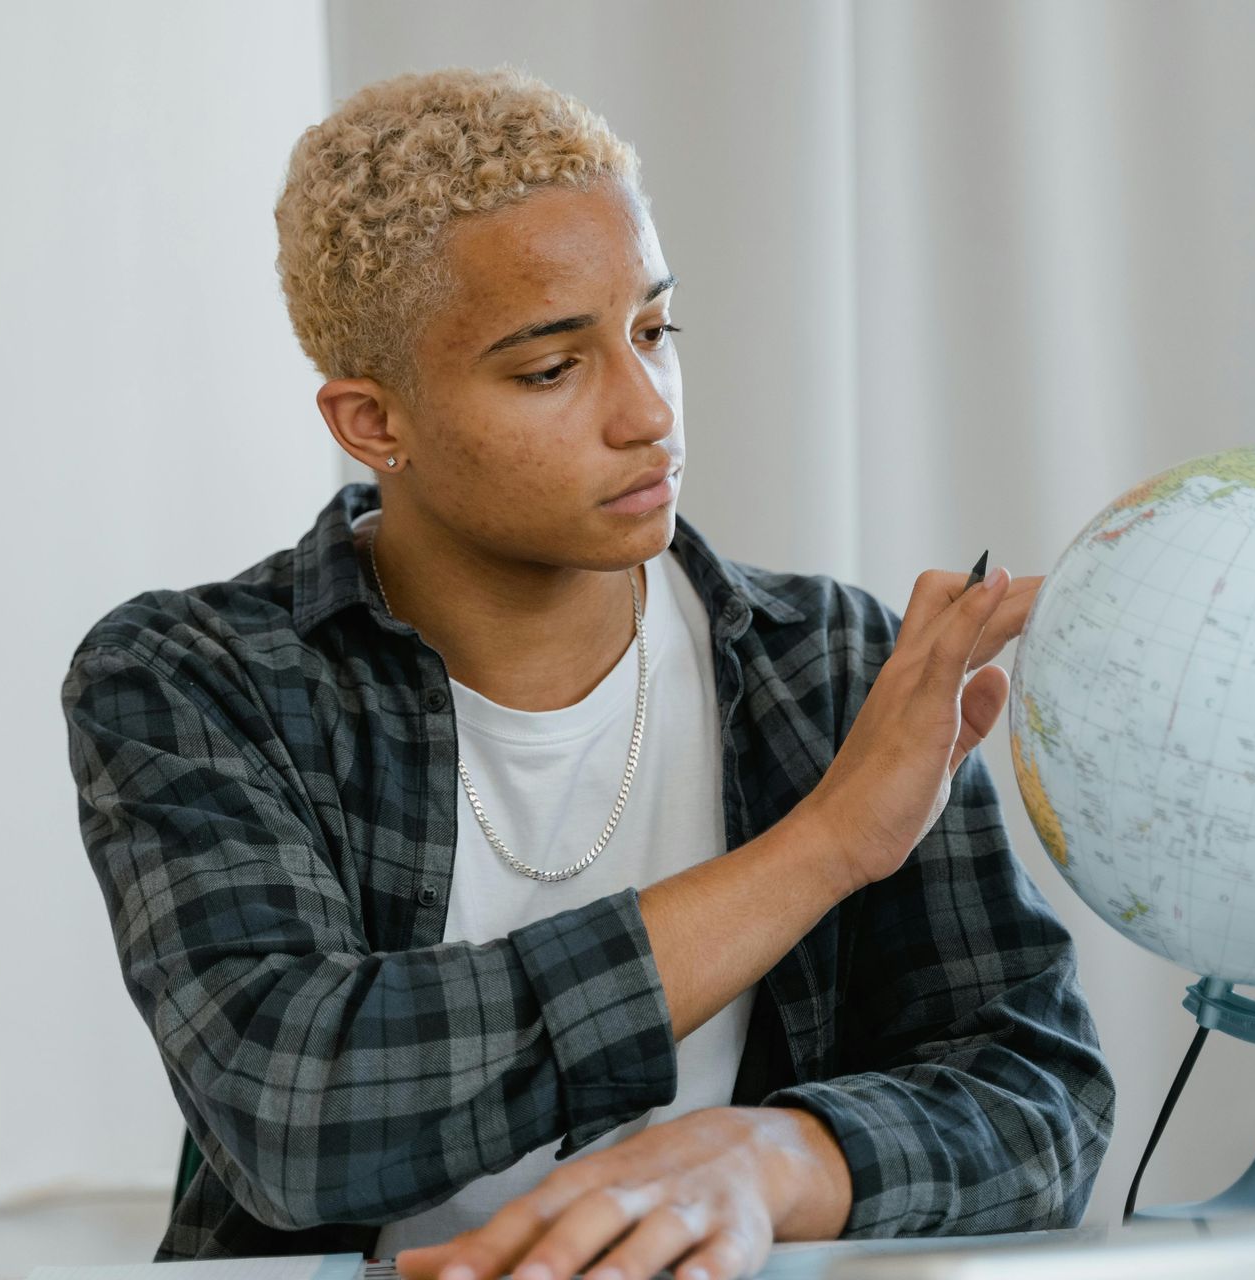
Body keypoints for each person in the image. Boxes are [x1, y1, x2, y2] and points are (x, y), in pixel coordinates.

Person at [62, 66, 1114, 1276]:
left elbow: (1040, 1093)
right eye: (550, 369)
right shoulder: (194, 679)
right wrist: (824, 846)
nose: (647, 412)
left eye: (655, 332)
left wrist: (777, 1157)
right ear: (372, 423)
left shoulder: (832, 666)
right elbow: (297, 1110)